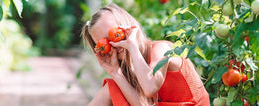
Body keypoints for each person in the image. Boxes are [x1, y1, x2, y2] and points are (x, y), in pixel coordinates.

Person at [81, 3, 210, 106]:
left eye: (114, 34)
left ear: (127, 26)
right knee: (112, 88)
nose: (113, 44)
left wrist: (132, 46)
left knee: (111, 90)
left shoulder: (161, 49)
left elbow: (150, 88)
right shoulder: (130, 69)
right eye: (105, 43)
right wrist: (115, 72)